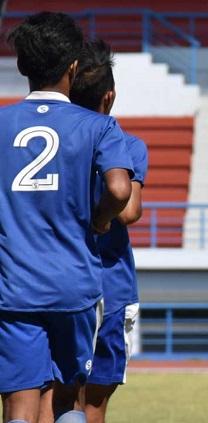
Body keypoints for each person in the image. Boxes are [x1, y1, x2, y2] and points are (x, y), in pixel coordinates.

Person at [0, 12, 133, 423]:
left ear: (22, 66)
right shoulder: (99, 126)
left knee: (18, 405)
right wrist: (99, 221)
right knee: (67, 401)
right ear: (73, 67)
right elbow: (119, 189)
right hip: (74, 284)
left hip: (14, 283)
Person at [44, 39, 146, 423]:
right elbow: (130, 209)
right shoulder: (125, 143)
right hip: (110, 284)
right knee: (94, 403)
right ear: (110, 96)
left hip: (53, 279)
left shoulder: (55, 142)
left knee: (53, 395)